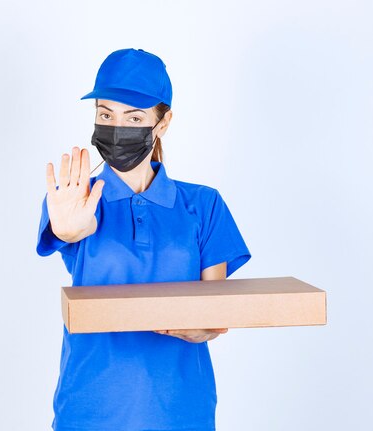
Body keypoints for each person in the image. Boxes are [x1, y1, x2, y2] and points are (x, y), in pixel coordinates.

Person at [36, 48, 251, 431]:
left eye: (134, 117)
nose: (117, 128)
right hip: (90, 408)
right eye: (106, 114)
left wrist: (208, 327)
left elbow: (215, 307)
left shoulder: (203, 205)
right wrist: (67, 231)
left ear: (163, 122)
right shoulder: (75, 199)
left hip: (181, 410)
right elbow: (66, 231)